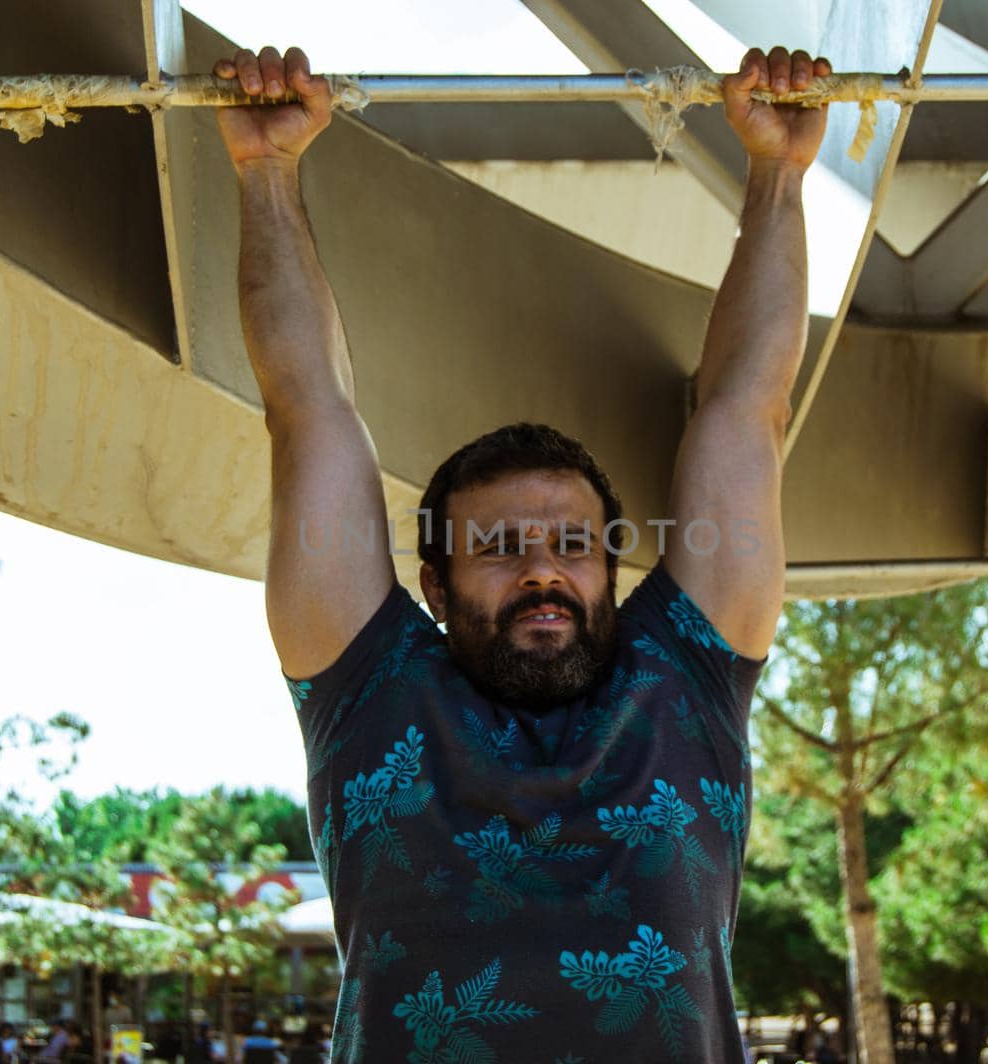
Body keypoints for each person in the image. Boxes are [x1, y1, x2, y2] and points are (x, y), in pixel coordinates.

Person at [212, 38, 827, 1062]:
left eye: (572, 543)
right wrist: (266, 172)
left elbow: (745, 413)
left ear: (610, 569)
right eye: (500, 544)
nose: (543, 566)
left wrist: (777, 172)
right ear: (434, 582)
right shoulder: (370, 693)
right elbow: (306, 411)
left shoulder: (685, 677)